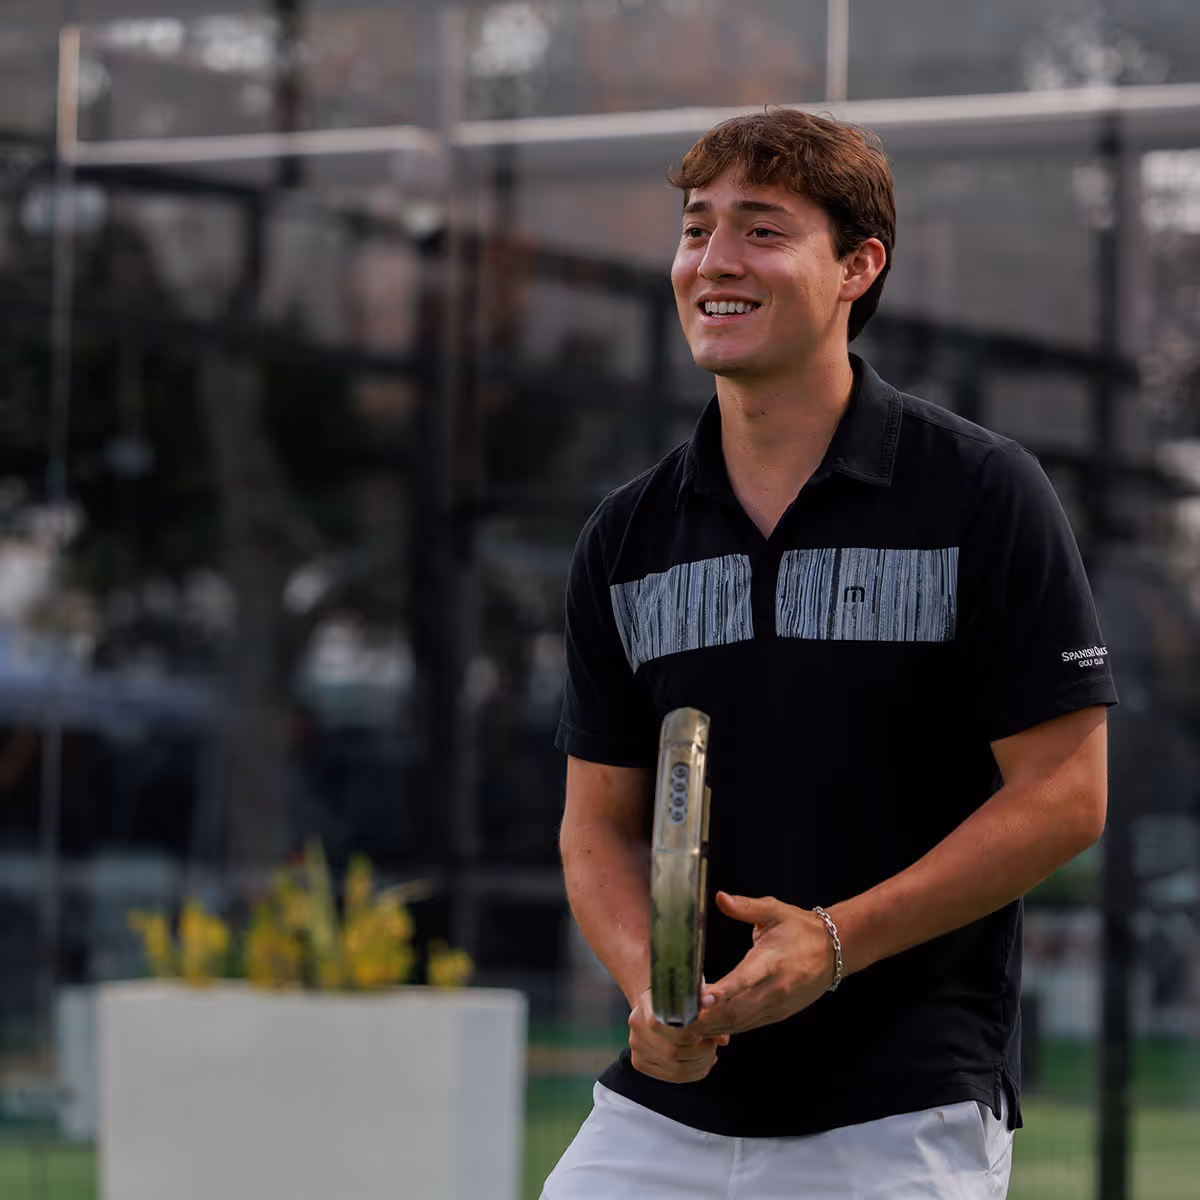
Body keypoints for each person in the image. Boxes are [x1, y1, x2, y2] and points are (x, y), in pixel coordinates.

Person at [547, 108, 1116, 1199]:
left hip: (903, 1107)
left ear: (859, 266)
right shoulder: (626, 537)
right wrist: (655, 997)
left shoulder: (983, 495)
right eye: (697, 228)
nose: (713, 260)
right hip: (664, 1113)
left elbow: (1065, 796)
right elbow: (598, 827)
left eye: (762, 231)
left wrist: (833, 941)